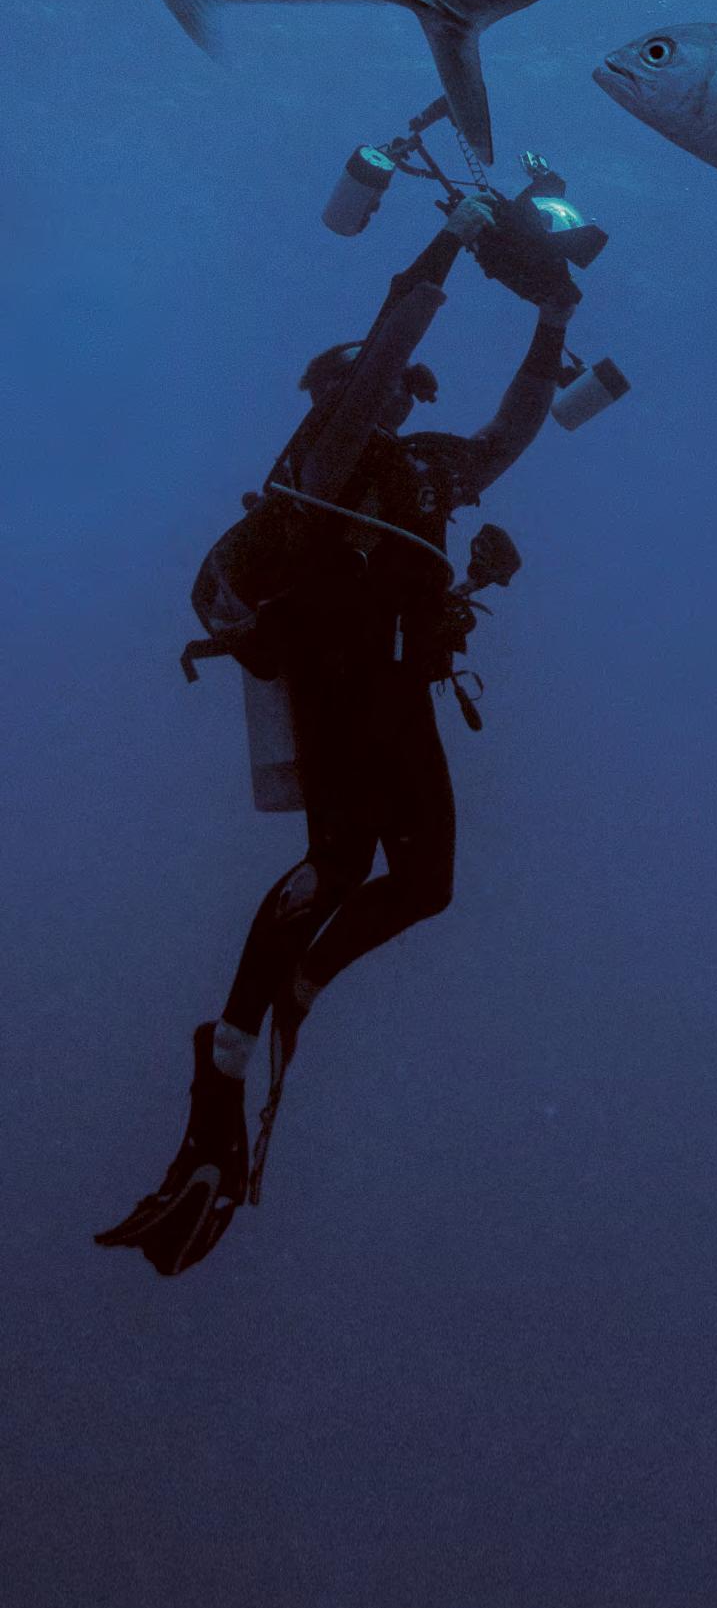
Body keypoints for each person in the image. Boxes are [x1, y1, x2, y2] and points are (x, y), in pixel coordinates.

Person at [97, 191, 580, 1276]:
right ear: (330, 393)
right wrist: (450, 237)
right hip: (335, 683)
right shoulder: (319, 466)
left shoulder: (429, 470)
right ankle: (227, 1047)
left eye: (405, 388)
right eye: (379, 383)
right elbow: (384, 355)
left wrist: (554, 321)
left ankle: (297, 987)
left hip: (401, 691)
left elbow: (511, 429)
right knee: (335, 863)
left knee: (428, 883)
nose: (400, 394)